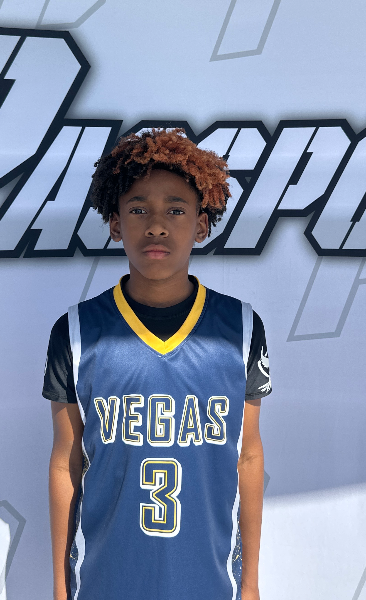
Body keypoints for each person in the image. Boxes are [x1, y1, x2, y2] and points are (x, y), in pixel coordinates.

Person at [43, 128, 272, 600]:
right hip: (106, 582)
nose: (156, 225)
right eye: (138, 209)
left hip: (209, 583)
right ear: (115, 224)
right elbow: (66, 462)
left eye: (176, 209)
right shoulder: (77, 332)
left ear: (202, 226)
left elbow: (248, 456)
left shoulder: (242, 328)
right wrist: (61, 587)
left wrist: (249, 584)